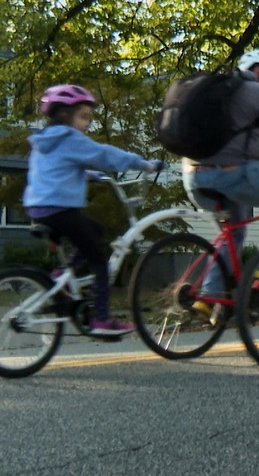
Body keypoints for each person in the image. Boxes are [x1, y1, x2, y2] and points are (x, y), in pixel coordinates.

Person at [22, 84, 162, 337]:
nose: (87, 124)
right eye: (83, 117)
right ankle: (101, 318)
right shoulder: (70, 138)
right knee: (99, 261)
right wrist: (143, 164)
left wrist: (86, 174)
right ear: (65, 115)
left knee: (95, 229)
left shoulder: (44, 141)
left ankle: (62, 277)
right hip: (61, 209)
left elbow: (53, 169)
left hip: (38, 208)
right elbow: (104, 153)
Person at [182, 48, 259, 313]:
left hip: (195, 177)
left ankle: (209, 295)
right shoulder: (258, 92)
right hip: (233, 173)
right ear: (258, 70)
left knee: (234, 232)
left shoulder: (220, 93)